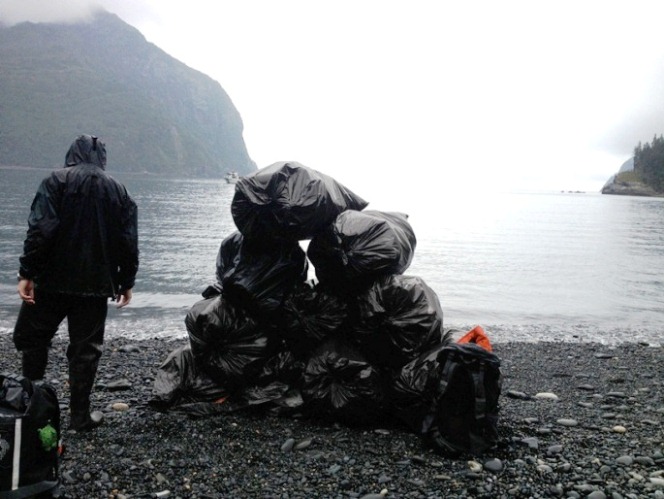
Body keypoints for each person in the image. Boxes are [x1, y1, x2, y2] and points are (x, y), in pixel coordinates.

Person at [13, 134, 139, 431]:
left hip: (50, 281)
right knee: (86, 350)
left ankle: (31, 408)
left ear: (72, 153)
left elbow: (40, 230)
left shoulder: (55, 182)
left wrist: (27, 272)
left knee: (33, 338)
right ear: (102, 158)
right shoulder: (120, 192)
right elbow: (128, 242)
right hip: (95, 287)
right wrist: (126, 281)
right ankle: (79, 416)